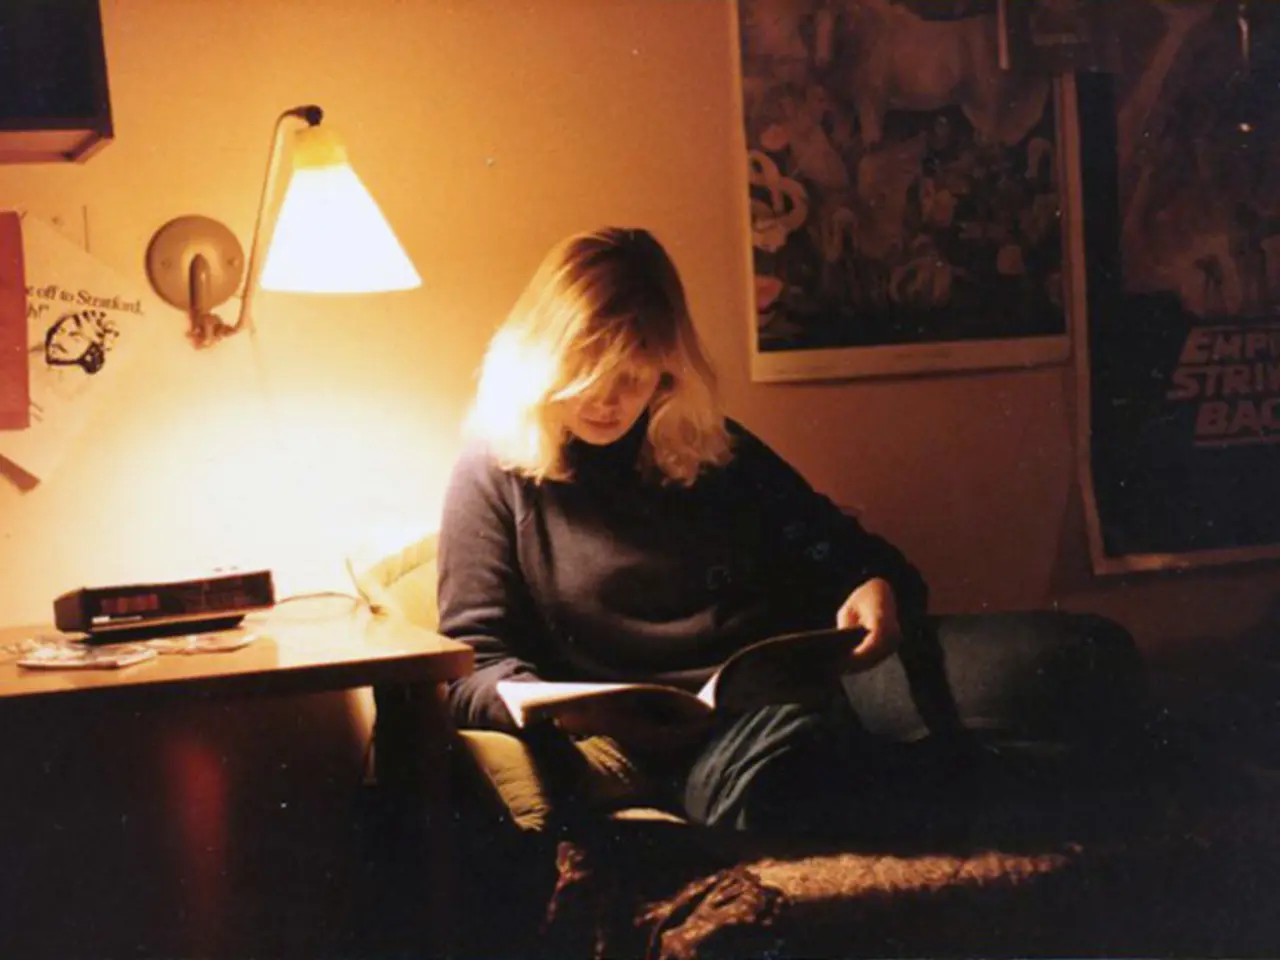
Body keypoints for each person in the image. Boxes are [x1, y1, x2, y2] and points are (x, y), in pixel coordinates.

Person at [438, 226, 1147, 837]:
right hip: (705, 746)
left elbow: (845, 550)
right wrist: (556, 708)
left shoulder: (704, 445)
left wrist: (871, 584)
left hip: (825, 681)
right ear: (543, 356)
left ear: (667, 366)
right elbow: (470, 668)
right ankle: (1000, 788)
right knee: (802, 780)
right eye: (585, 370)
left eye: (633, 373)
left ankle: (1030, 790)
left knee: (1087, 654)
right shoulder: (498, 471)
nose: (608, 398)